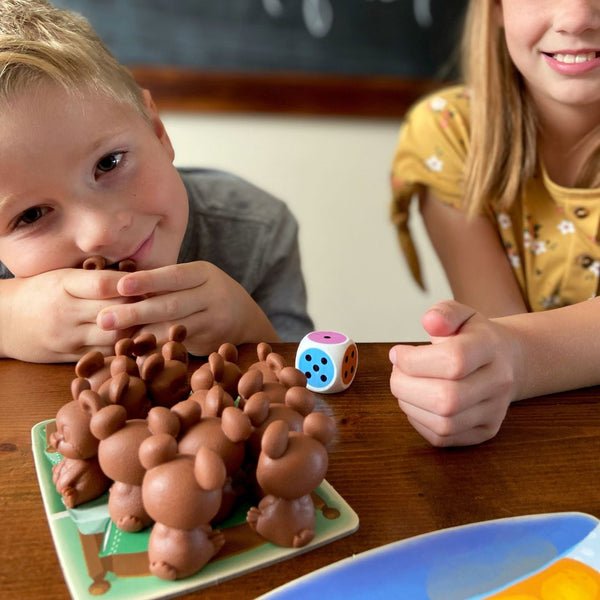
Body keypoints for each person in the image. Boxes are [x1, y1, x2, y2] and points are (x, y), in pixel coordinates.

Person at [0, 0, 313, 363]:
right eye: (32, 214)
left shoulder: (257, 231)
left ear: (157, 132)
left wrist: (247, 325)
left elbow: (309, 386)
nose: (98, 233)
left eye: (109, 162)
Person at [388, 0, 600, 446]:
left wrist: (517, 355)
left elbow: (509, 344)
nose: (578, 17)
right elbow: (499, 328)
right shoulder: (452, 133)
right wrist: (489, 361)